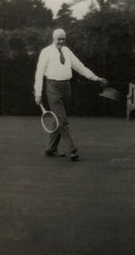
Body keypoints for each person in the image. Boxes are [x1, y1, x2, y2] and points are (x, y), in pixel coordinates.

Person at [34, 28, 107, 161]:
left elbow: (80, 67)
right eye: (59, 39)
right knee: (62, 120)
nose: (61, 41)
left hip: (66, 88)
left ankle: (51, 148)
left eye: (63, 39)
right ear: (53, 38)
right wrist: (38, 93)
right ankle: (72, 150)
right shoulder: (46, 52)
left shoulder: (67, 51)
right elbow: (39, 73)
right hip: (52, 88)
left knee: (58, 119)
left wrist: (96, 78)